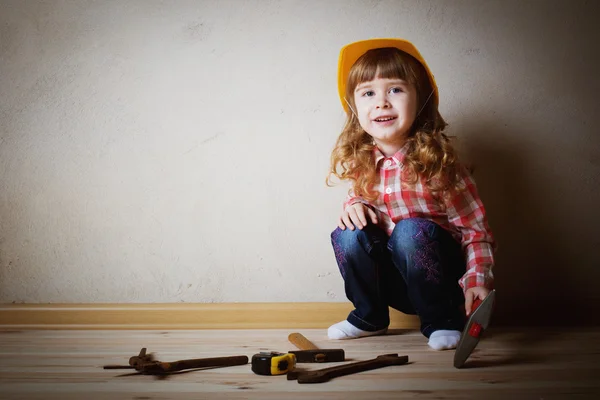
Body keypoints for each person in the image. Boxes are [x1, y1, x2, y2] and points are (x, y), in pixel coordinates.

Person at [326, 38, 495, 350]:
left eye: (396, 89)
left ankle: (442, 320)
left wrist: (477, 280)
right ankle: (369, 317)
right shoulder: (363, 163)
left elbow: (475, 230)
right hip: (393, 283)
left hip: (440, 281)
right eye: (368, 93)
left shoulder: (440, 164)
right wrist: (354, 205)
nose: (381, 102)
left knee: (410, 230)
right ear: (355, 108)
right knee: (345, 233)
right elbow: (361, 203)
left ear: (421, 100)